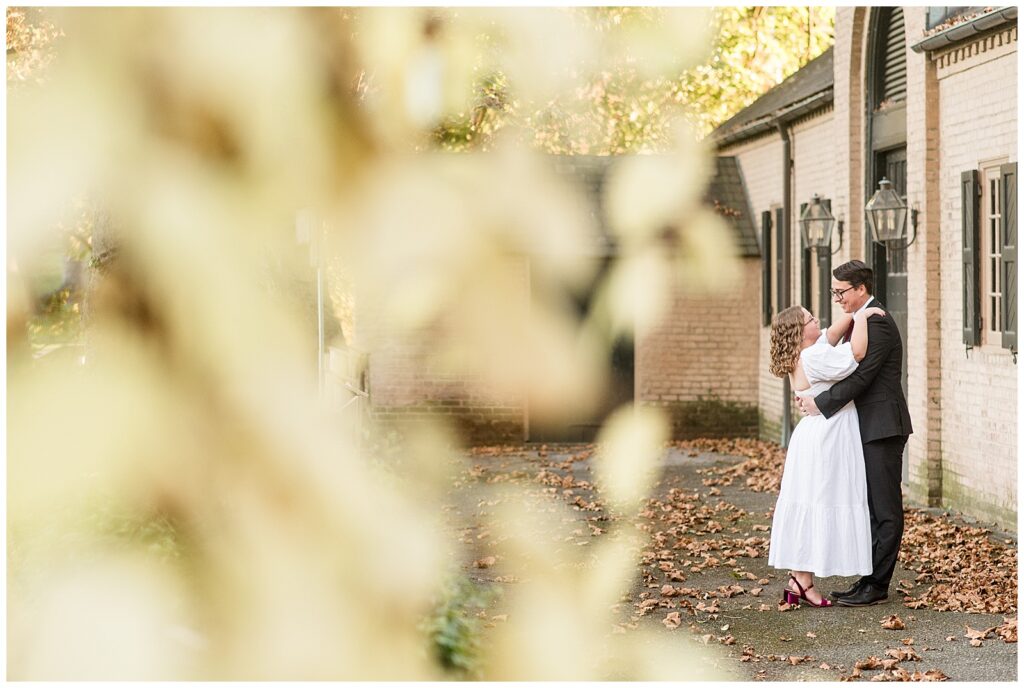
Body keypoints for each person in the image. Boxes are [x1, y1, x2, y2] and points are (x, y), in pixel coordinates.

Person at [796, 260, 913, 607]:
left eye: (840, 292)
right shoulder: (861, 318)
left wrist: (821, 402)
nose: (837, 299)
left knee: (885, 509)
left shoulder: (878, 323)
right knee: (871, 507)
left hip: (882, 426)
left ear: (860, 289)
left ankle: (877, 584)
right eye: (834, 292)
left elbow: (861, 377)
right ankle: (869, 578)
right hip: (865, 427)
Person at [767, 301, 885, 608]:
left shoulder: (806, 351)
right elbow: (856, 353)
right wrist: (862, 316)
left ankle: (799, 579)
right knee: (821, 501)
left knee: (811, 502)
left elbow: (832, 333)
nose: (816, 318)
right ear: (800, 330)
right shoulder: (814, 355)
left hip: (813, 435)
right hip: (827, 437)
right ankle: (802, 580)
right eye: (809, 318)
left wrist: (857, 310)